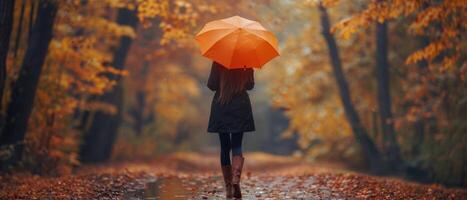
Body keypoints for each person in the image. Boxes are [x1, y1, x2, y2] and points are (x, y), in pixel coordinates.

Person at [207, 61, 255, 199]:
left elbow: (211, 85)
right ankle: (235, 180)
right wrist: (248, 70)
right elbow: (250, 85)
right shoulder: (245, 59)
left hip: (222, 104)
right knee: (237, 145)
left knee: (224, 147)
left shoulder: (219, 59)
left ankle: (228, 187)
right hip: (240, 106)